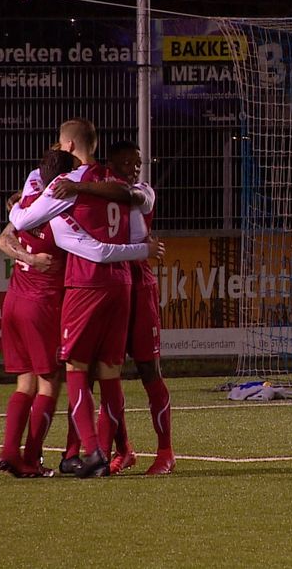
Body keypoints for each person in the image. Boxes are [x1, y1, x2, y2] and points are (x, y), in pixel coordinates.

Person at [9, 122, 163, 479]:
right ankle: (108, 451)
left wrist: (18, 210)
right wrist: (142, 248)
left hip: (86, 285)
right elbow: (139, 210)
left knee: (77, 370)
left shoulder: (67, 184)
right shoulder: (115, 181)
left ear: (67, 144)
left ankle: (91, 451)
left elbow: (28, 220)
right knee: (110, 371)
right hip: (123, 283)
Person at [54, 141, 175, 475]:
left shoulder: (141, 191)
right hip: (113, 282)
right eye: (126, 163)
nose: (134, 169)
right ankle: (114, 449)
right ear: (111, 164)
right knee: (104, 371)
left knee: (149, 370)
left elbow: (131, 197)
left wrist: (80, 186)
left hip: (140, 284)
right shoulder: (99, 189)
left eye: (138, 164)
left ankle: (165, 451)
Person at [0, 148, 76, 478]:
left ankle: (10, 452)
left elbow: (2, 239)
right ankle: (31, 456)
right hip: (41, 306)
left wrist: (25, 258)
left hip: (13, 300)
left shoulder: (25, 206)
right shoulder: (61, 215)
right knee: (49, 383)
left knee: (24, 383)